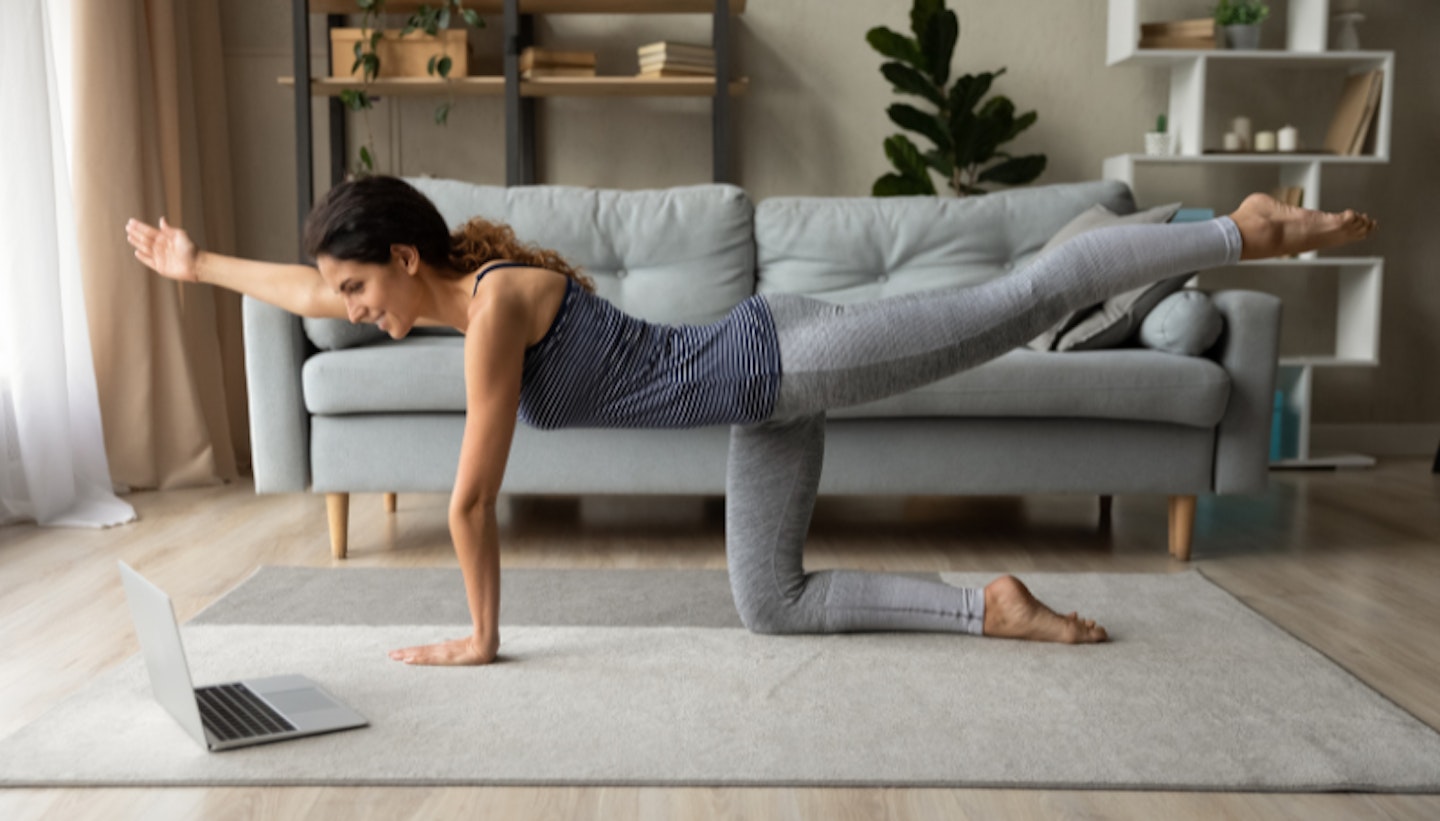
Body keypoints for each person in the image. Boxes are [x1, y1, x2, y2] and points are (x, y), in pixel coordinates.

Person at [125, 177, 1376, 666]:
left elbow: (467, 494)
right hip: (764, 404)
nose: (345, 311)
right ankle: (988, 602)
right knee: (767, 601)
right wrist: (195, 269)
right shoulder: (454, 298)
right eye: (339, 295)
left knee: (1010, 303)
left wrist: (481, 635)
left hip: (792, 352)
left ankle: (1239, 229)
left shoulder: (497, 304)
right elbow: (299, 282)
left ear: (404, 257)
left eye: (356, 291)